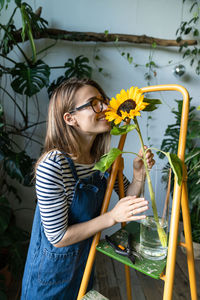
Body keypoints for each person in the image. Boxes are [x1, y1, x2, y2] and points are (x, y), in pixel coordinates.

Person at [21, 77, 155, 300]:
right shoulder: (53, 165)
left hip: (84, 265)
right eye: (94, 103)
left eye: (103, 100)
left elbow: (127, 199)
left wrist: (139, 174)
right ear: (70, 118)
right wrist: (111, 217)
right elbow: (58, 237)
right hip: (49, 277)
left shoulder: (104, 159)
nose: (105, 107)